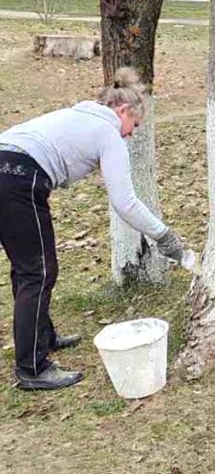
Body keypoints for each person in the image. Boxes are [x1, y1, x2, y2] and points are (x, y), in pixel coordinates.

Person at [0, 68, 188, 391]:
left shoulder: (82, 114)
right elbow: (125, 202)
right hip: (19, 177)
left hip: (8, 167)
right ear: (124, 111)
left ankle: (42, 337)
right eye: (135, 126)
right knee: (39, 271)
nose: (131, 134)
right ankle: (33, 367)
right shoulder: (108, 131)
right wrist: (163, 236)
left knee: (28, 267)